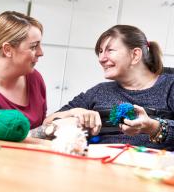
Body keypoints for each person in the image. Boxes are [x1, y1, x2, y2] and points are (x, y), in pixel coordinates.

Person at [43, 24, 174, 151]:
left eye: (109, 50)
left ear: (135, 55)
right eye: (100, 52)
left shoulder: (169, 86)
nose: (101, 58)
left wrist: (153, 127)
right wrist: (73, 113)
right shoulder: (99, 91)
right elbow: (46, 124)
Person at [0, 11, 46, 129]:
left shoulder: (35, 79)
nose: (41, 53)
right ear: (8, 50)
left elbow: (41, 124)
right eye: (33, 47)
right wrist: (49, 130)